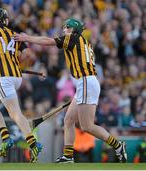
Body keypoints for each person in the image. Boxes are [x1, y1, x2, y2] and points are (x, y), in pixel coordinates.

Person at [14, 18, 127, 163]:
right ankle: (68, 156)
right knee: (68, 120)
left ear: (73, 29)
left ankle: (118, 146)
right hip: (85, 83)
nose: (64, 30)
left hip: (86, 81)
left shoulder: (73, 38)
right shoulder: (82, 42)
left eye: (66, 27)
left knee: (87, 126)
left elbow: (49, 42)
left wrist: (27, 38)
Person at [0, 8, 42, 163]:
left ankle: (33, 143)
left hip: (3, 78)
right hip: (17, 78)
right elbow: (28, 54)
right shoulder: (14, 33)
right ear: (5, 20)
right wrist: (16, 63)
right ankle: (6, 138)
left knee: (14, 114)